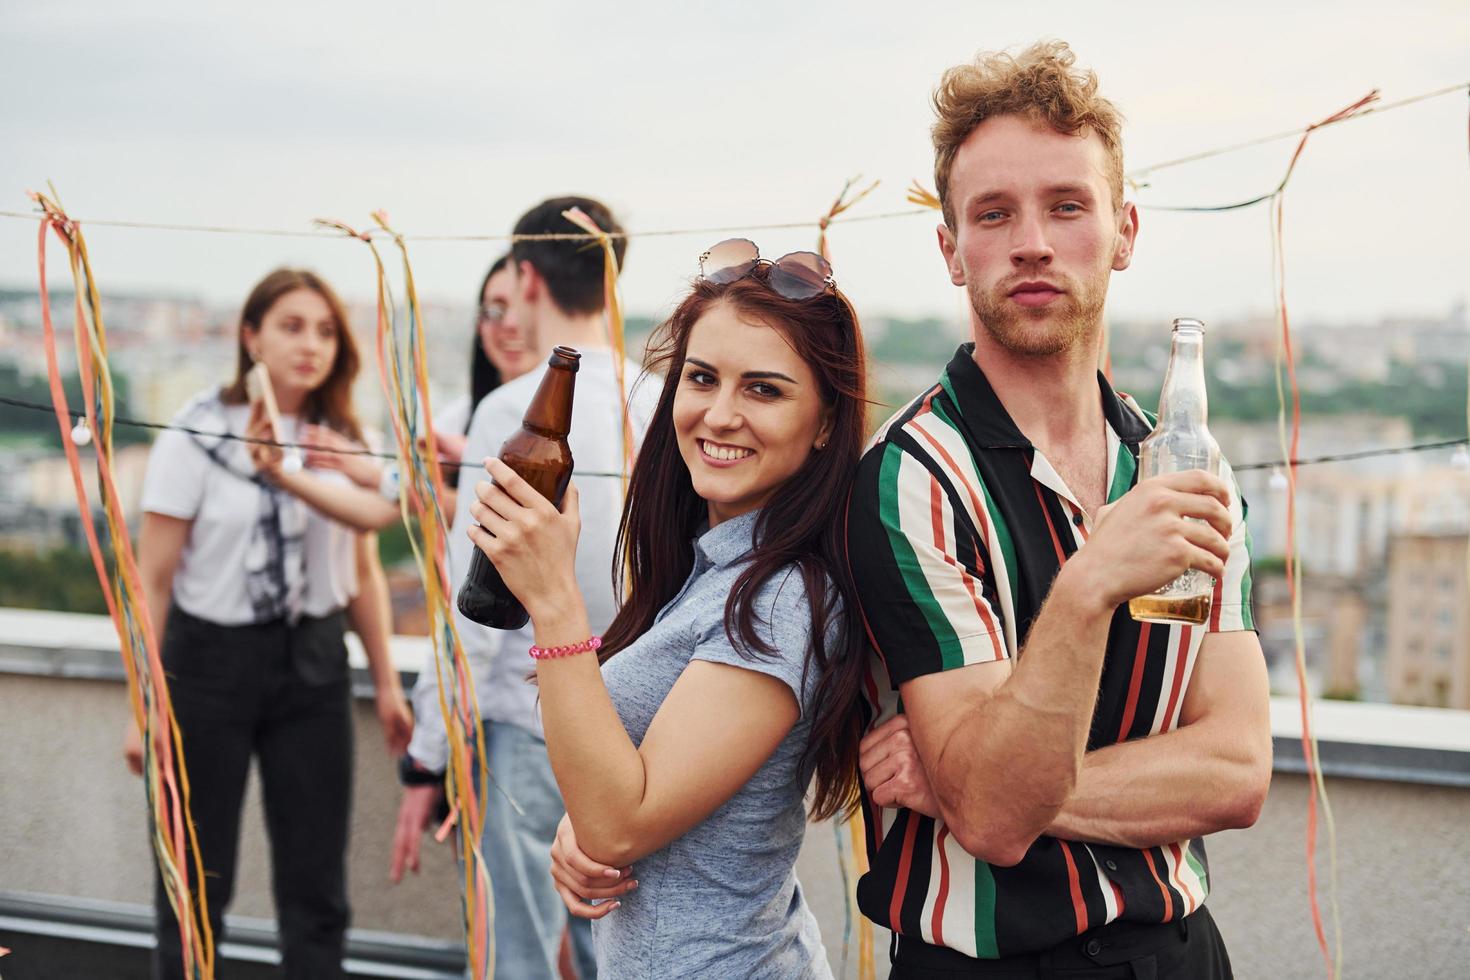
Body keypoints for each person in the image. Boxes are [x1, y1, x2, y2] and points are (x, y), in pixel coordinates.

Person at [846, 42, 1270, 979]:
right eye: (993, 214)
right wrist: (1088, 587)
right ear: (952, 251)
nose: (1031, 241)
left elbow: (1238, 772)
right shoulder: (911, 478)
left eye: (1066, 206)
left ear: (1124, 231)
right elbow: (995, 826)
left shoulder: (1188, 470)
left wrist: (970, 779)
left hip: (1181, 954)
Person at [464, 240, 871, 978]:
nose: (719, 415)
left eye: (764, 390)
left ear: (822, 423)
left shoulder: (780, 597)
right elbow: (642, 789)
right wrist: (577, 827)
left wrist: (554, 602)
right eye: (702, 378)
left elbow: (623, 824)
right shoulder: (709, 568)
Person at [390, 196, 649, 980]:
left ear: (525, 276)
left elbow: (472, 611)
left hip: (527, 720)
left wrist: (428, 757)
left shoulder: (512, 411)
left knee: (522, 950)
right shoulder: (663, 399)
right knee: (612, 942)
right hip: (634, 723)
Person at [131, 268, 414, 980]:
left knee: (316, 886)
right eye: (291, 326)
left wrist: (386, 683)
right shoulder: (195, 432)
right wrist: (145, 706)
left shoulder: (347, 438)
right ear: (250, 335)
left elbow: (364, 570)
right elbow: (153, 580)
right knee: (194, 877)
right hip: (206, 666)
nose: (310, 344)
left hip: (314, 664)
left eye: (324, 330)